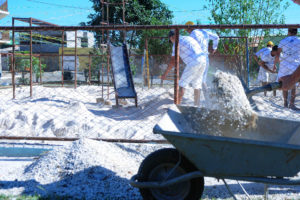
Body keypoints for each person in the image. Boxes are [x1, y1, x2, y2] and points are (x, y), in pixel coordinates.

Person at [161, 30, 206, 105]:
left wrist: (165, 74)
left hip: (194, 62)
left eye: (171, 40)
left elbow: (173, 61)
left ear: (172, 37)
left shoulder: (176, 43)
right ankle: (197, 106)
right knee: (197, 85)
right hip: (203, 60)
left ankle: (177, 104)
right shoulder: (188, 38)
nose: (171, 42)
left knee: (182, 84)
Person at [185, 21, 219, 88]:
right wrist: (214, 48)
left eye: (187, 30)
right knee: (202, 80)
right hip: (205, 58)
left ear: (189, 28)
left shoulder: (192, 34)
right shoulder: (204, 32)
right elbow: (216, 37)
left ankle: (204, 96)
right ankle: (206, 97)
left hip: (196, 58)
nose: (187, 32)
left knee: (197, 81)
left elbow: (190, 48)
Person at [276, 28, 300, 110]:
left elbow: (278, 54)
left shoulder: (283, 40)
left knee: (283, 83)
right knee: (293, 84)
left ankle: (285, 103)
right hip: (295, 64)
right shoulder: (299, 40)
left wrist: (278, 63)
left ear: (289, 32)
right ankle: (292, 104)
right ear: (296, 32)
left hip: (284, 64)